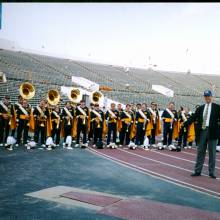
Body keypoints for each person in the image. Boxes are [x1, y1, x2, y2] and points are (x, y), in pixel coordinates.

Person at [186, 90, 220, 179]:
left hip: (213, 132)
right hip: (202, 132)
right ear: (204, 97)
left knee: (212, 153)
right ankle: (197, 171)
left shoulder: (217, 107)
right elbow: (193, 117)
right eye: (205, 96)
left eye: (208, 96)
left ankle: (211, 172)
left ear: (211, 97)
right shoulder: (200, 108)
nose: (207, 98)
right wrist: (185, 123)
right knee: (200, 152)